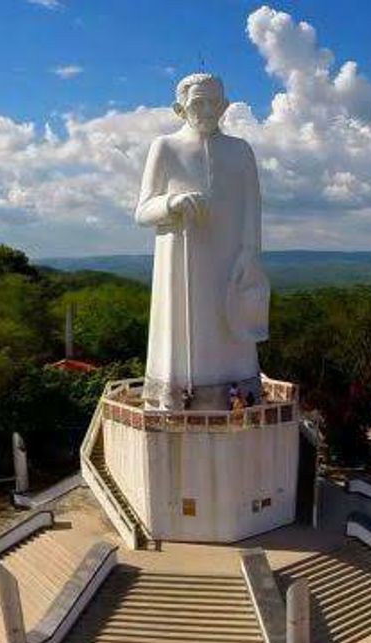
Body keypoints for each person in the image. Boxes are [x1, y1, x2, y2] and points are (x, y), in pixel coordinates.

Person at [135, 73, 269, 411]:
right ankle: (178, 396)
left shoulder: (241, 150)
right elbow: (142, 211)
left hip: (230, 262)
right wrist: (171, 203)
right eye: (198, 103)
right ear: (179, 108)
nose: (207, 110)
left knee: (231, 325)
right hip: (182, 264)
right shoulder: (165, 147)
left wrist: (250, 254)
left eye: (214, 102)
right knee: (184, 339)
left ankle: (239, 395)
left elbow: (253, 209)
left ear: (225, 105)